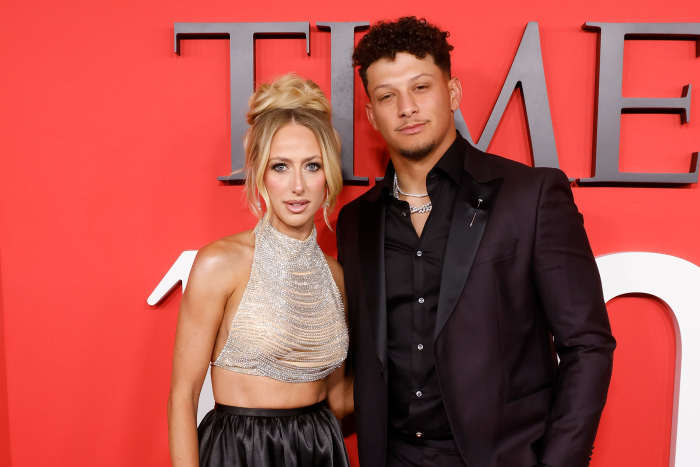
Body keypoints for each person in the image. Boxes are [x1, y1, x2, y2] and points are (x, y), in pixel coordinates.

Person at [336, 17, 616, 467]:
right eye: (388, 96)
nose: (406, 107)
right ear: (371, 115)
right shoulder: (355, 222)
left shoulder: (531, 196)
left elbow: (588, 346)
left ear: (452, 93)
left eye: (421, 87)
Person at [168, 73, 352, 467]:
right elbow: (182, 397)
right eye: (281, 166)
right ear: (260, 173)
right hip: (241, 450)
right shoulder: (221, 263)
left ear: (329, 175)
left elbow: (338, 399)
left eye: (312, 166)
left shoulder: (336, 276)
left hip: (320, 448)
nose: (298, 186)